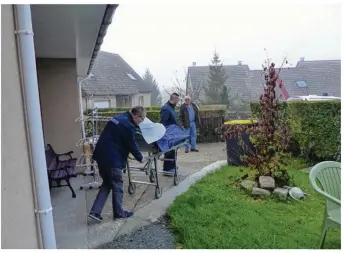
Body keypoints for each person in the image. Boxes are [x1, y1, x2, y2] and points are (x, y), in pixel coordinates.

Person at [88, 106, 147, 222]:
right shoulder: (127, 126)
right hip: (112, 160)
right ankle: (119, 213)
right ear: (136, 116)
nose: (141, 122)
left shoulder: (119, 118)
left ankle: (95, 211)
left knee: (107, 183)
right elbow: (132, 144)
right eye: (141, 119)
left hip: (101, 156)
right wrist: (141, 158)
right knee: (117, 185)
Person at [160, 93, 180, 175]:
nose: (178, 101)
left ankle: (172, 166)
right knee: (169, 151)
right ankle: (167, 169)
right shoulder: (166, 108)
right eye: (177, 100)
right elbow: (164, 122)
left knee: (173, 150)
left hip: (173, 133)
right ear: (174, 99)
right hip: (168, 133)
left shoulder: (171, 108)